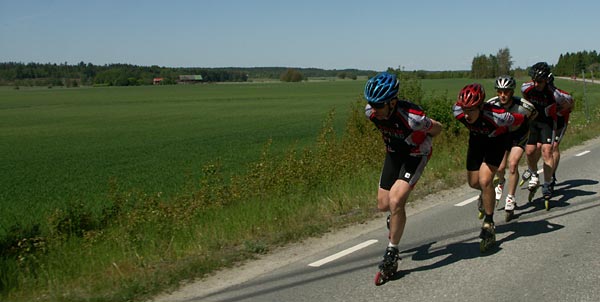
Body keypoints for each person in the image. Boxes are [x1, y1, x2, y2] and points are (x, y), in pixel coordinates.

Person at [364, 72, 442, 276]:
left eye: (379, 105)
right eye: (371, 103)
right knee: (383, 205)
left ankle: (392, 252)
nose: (374, 109)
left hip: (415, 154)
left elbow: (437, 129)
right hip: (394, 153)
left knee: (396, 200)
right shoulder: (371, 112)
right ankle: (395, 215)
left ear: (392, 102)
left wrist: (427, 126)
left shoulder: (413, 118)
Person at [453, 83, 524, 251]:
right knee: (473, 182)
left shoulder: (498, 116)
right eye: (464, 109)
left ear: (480, 106)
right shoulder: (458, 111)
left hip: (496, 142)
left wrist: (517, 140)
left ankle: (489, 223)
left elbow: (520, 120)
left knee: (485, 180)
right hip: (476, 142)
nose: (466, 114)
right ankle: (486, 194)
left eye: (470, 110)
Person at [520, 62, 573, 203]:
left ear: (546, 80)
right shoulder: (526, 87)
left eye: (540, 81)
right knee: (530, 151)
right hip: (534, 122)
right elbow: (525, 100)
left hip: (549, 123)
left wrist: (559, 111)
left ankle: (548, 182)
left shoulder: (555, 93)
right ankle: (533, 173)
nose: (536, 84)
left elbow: (570, 103)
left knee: (548, 150)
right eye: (534, 81)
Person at [487, 76, 537, 221]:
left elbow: (534, 116)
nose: (503, 95)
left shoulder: (524, 106)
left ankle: (511, 198)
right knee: (500, 168)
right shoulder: (491, 104)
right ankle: (501, 181)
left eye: (506, 92)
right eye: (500, 91)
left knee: (513, 164)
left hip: (519, 136)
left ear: (512, 91)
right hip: (503, 136)